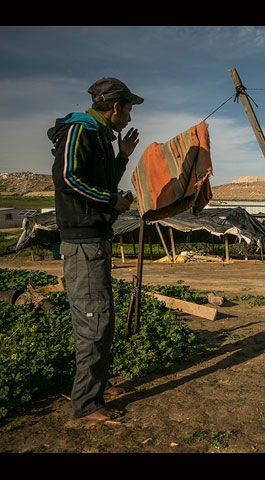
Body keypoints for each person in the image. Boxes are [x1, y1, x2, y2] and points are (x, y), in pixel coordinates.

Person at [48, 77, 143, 421]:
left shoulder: (100, 137)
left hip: (94, 238)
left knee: (99, 317)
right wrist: (109, 201)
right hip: (83, 242)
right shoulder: (79, 131)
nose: (130, 118)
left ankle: (96, 387)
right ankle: (86, 405)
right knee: (95, 320)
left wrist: (122, 157)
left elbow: (102, 182)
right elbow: (68, 178)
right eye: (129, 109)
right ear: (115, 107)